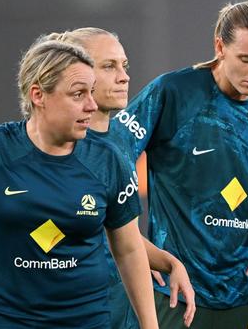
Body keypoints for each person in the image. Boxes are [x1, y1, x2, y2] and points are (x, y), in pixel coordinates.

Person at [107, 1, 248, 328]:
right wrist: (134, 243)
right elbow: (112, 153)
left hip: (243, 292)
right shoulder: (173, 92)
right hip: (175, 292)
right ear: (220, 47)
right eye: (247, 59)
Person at [0, 38, 158, 328]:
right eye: (78, 94)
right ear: (38, 95)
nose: (91, 105)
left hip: (87, 321)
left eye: (92, 93)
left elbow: (129, 250)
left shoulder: (106, 160)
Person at [51, 27, 196, 328]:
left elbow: (117, 231)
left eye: (124, 66)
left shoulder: (121, 140)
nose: (124, 76)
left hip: (121, 312)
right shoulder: (58, 146)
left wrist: (167, 262)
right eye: (109, 66)